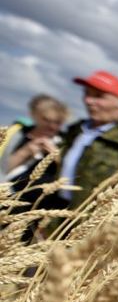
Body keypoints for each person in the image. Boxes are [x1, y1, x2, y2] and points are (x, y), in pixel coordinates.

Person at [58, 71, 118, 210]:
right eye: (87, 93)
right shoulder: (74, 130)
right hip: (53, 215)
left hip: (88, 224)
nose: (88, 100)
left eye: (98, 96)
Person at [4, 94, 69, 244]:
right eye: (46, 120)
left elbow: (69, 174)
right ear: (34, 115)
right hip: (9, 199)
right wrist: (25, 151)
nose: (52, 126)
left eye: (57, 122)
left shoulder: (65, 141)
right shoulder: (16, 135)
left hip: (39, 209)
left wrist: (56, 156)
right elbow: (5, 169)